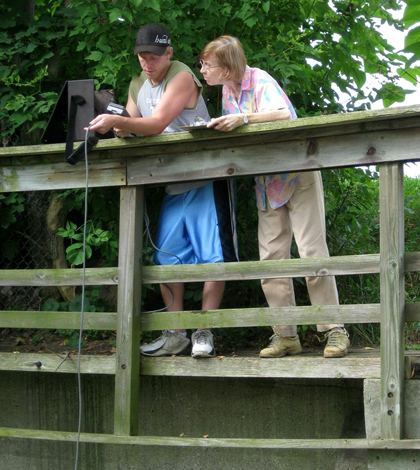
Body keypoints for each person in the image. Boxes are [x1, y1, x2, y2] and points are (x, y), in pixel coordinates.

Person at [89, 23, 238, 359]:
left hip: (207, 177)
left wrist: (120, 123)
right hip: (173, 183)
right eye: (142, 56)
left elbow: (154, 124)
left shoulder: (183, 75)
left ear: (168, 53)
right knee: (166, 257)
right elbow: (130, 125)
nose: (147, 62)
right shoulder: (138, 83)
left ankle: (204, 331)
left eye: (153, 56)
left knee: (212, 258)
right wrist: (112, 120)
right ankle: (176, 334)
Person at [199, 35, 350, 358]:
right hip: (266, 181)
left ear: (226, 67)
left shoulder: (261, 79)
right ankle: (285, 336)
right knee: (270, 260)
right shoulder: (227, 91)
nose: (202, 71)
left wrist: (244, 119)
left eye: (207, 65)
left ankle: (334, 330)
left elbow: (284, 115)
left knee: (312, 253)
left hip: (297, 173)